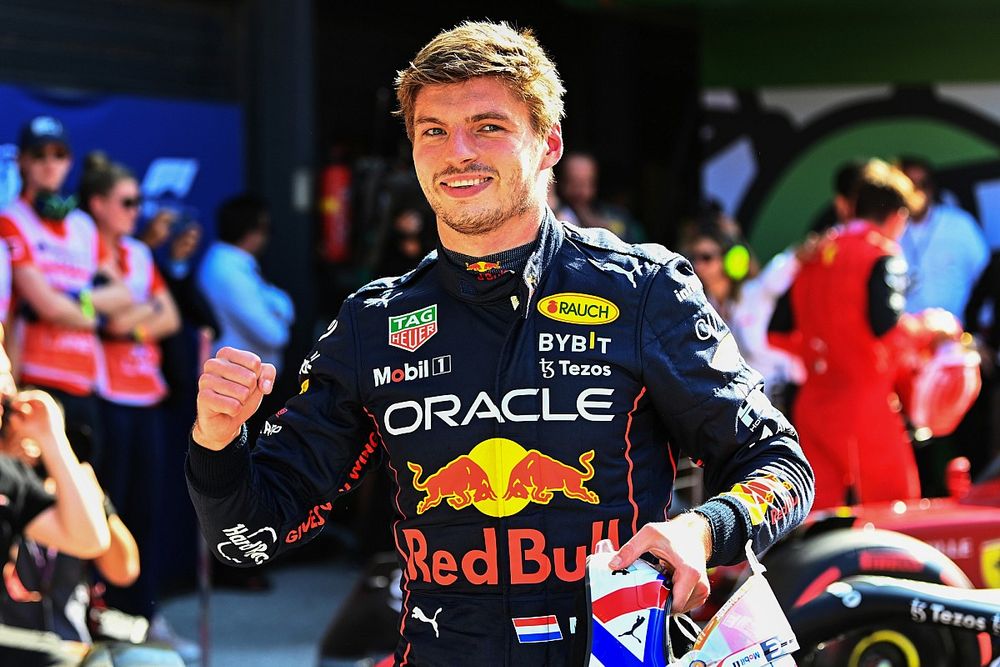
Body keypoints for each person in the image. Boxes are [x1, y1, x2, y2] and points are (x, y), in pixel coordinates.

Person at [186, 21, 813, 665]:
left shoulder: (643, 291)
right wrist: (216, 440)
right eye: (433, 131)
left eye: (488, 126)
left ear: (548, 144)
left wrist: (703, 529)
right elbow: (247, 537)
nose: (457, 152)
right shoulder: (372, 323)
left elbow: (781, 466)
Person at [769, 159, 960, 510]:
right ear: (898, 216)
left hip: (813, 407)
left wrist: (823, 354)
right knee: (895, 515)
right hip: (866, 408)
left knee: (819, 519)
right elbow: (887, 329)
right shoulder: (880, 253)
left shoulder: (814, 252)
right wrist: (933, 327)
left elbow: (776, 333)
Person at [77, 152, 181, 633]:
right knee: (106, 510)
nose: (136, 211)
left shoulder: (138, 254)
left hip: (147, 397)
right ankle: (95, 612)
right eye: (127, 202)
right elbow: (111, 321)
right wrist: (140, 316)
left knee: (146, 512)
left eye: (138, 202)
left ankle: (144, 613)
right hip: (105, 397)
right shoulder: (83, 247)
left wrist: (134, 324)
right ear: (98, 204)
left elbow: (169, 318)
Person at [0, 116, 133, 469]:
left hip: (85, 381)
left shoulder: (83, 225)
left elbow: (122, 294)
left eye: (58, 154)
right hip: (37, 380)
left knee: (89, 490)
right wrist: (93, 315)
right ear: (22, 161)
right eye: (39, 154)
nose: (49, 163)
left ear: (69, 161)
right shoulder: (11, 219)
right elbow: (46, 305)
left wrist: (76, 302)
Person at [196, 194, 294, 375]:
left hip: (244, 377)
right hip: (235, 381)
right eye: (266, 229)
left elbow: (282, 305)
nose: (266, 237)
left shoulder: (233, 263)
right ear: (251, 233)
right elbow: (274, 335)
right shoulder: (228, 271)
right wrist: (278, 314)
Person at [897, 156, 989, 324]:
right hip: (905, 333)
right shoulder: (890, 227)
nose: (918, 192)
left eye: (924, 184)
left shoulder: (959, 224)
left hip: (955, 331)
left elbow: (983, 274)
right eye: (910, 186)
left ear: (932, 188)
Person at [555, 151, 645, 242]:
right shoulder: (553, 214)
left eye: (585, 183)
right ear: (560, 182)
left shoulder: (615, 216)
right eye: (573, 183)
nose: (579, 191)